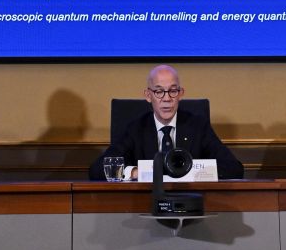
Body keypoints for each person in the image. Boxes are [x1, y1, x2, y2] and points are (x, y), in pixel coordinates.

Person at [88, 65, 243, 180]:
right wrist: (137, 172)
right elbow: (97, 170)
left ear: (181, 94)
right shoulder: (136, 129)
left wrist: (190, 170)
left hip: (191, 203)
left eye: (173, 91)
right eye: (159, 91)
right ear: (148, 95)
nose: (167, 98)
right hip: (145, 204)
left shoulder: (197, 126)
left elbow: (234, 169)